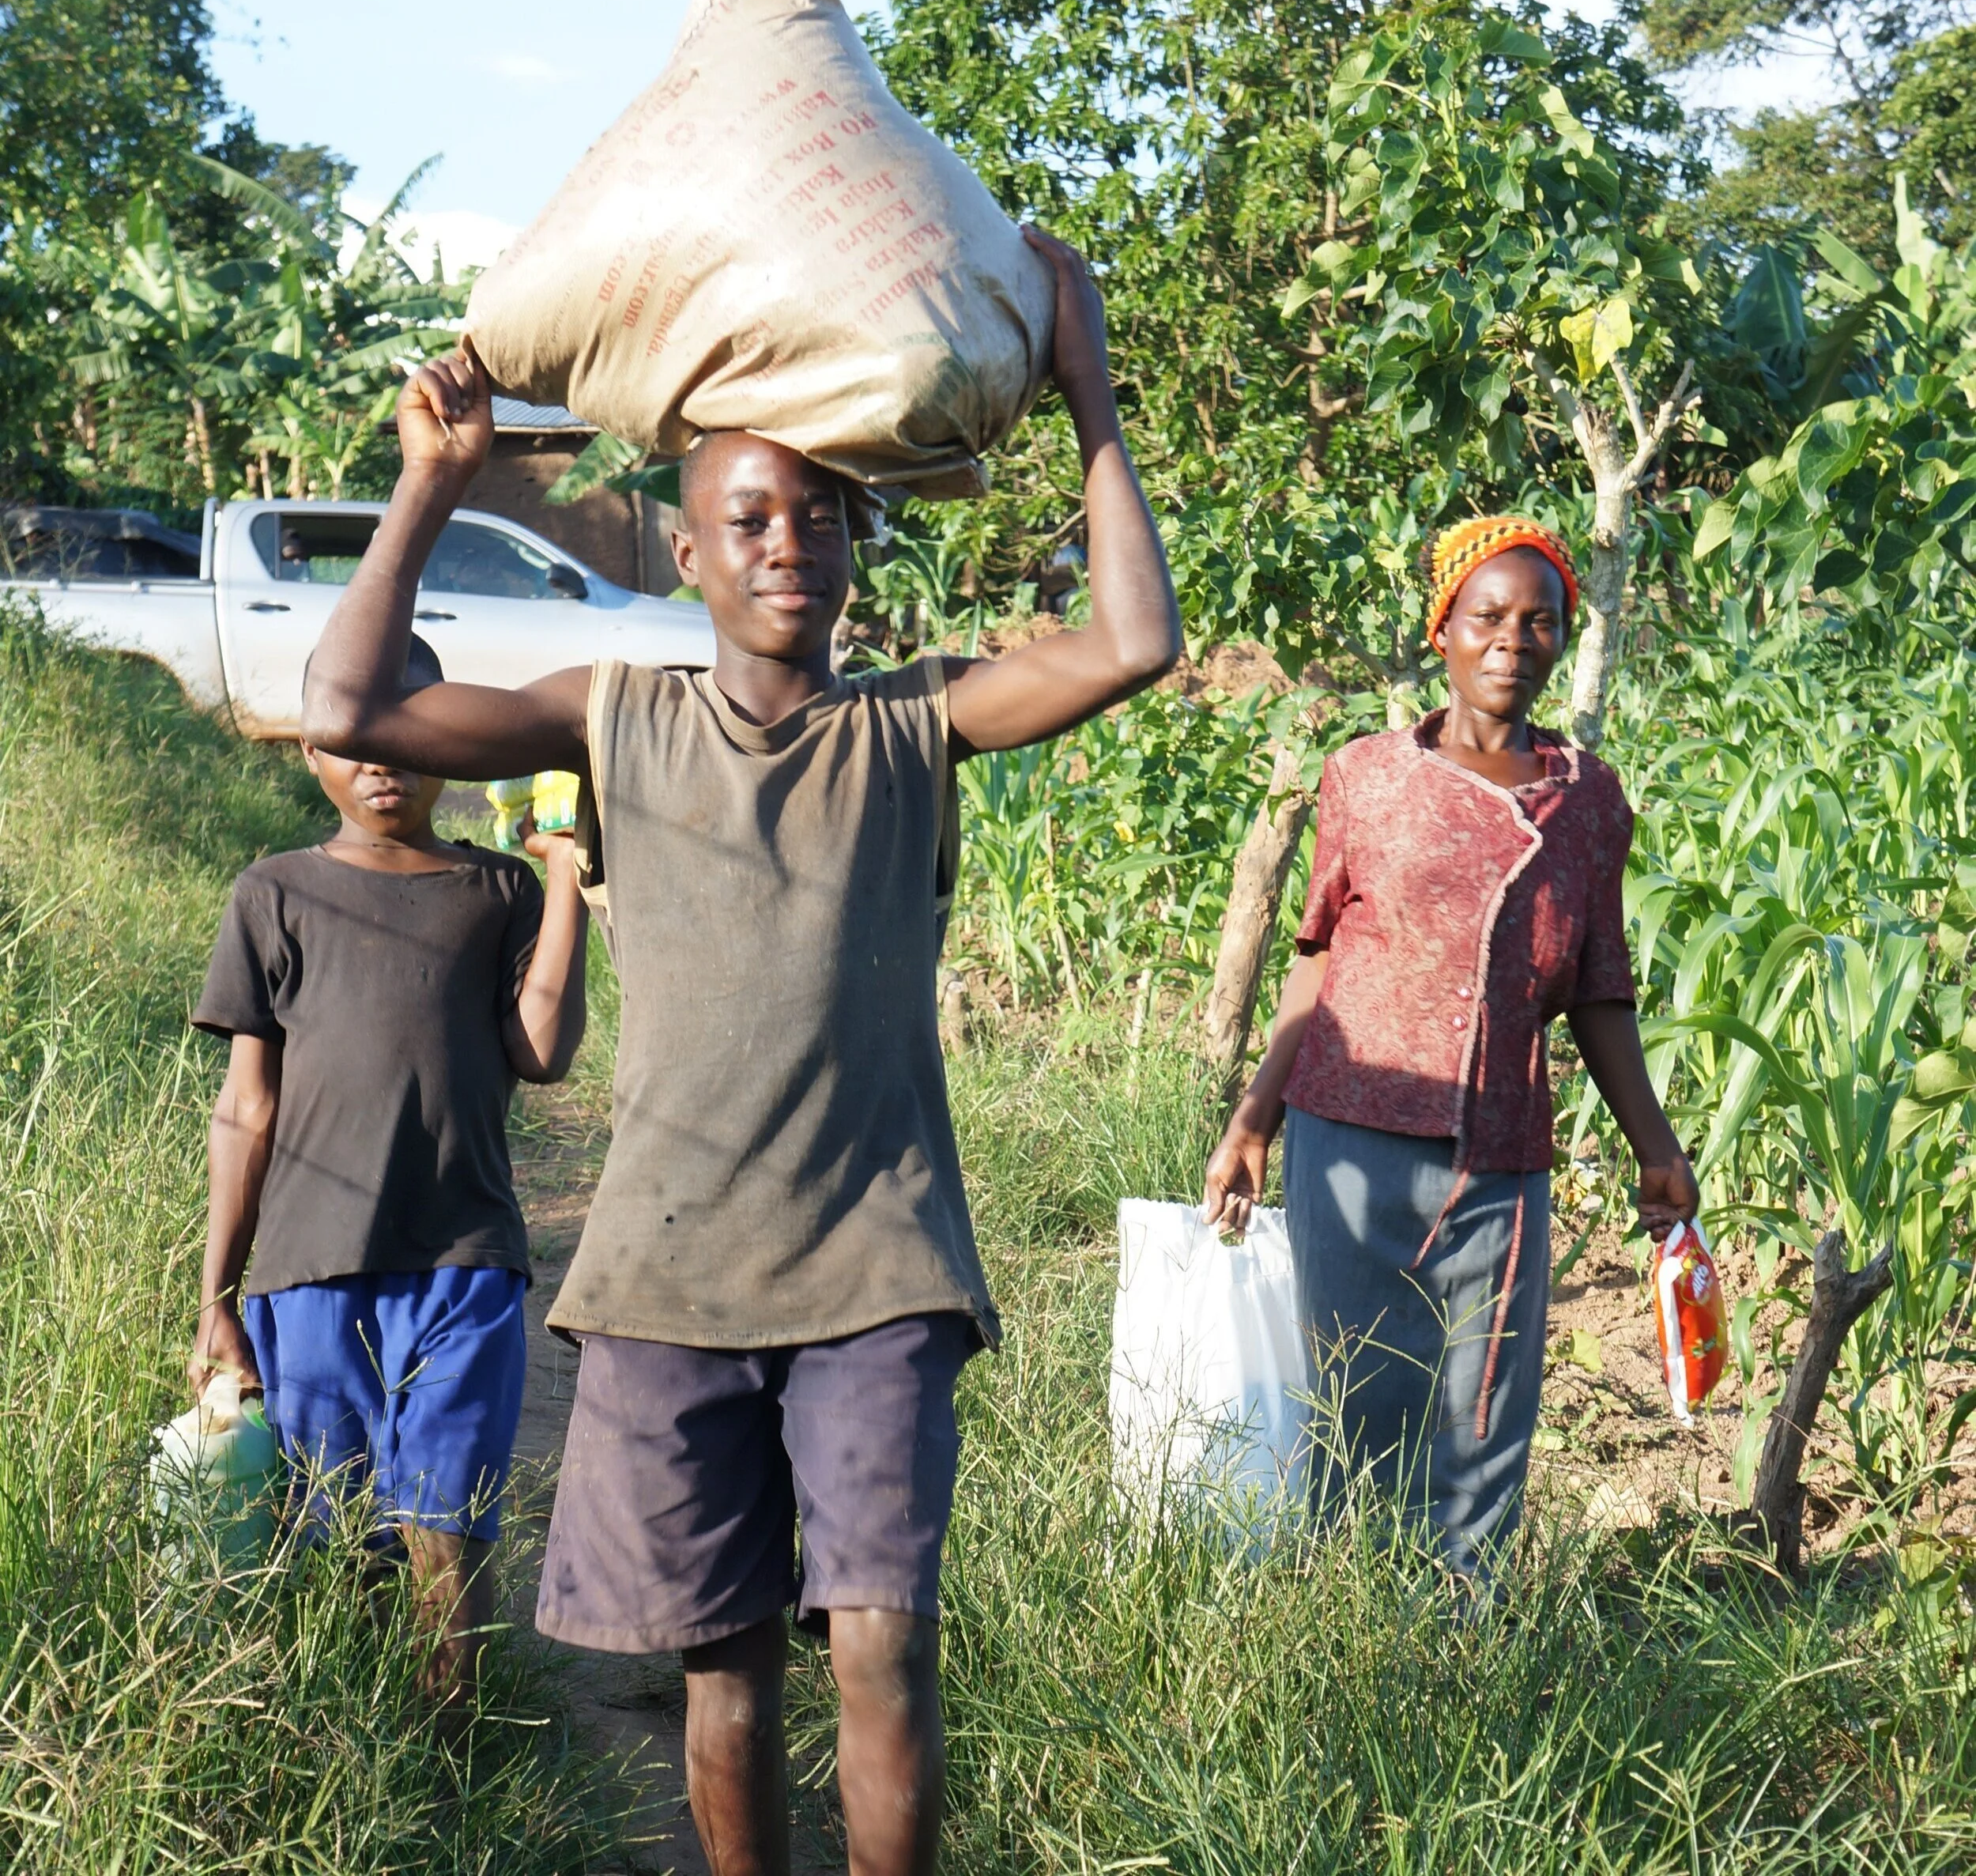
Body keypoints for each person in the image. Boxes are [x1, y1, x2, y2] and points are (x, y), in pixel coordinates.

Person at [300, 227, 1180, 1875]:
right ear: (686, 555)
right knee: (722, 1675)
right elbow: (349, 708)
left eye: (816, 515)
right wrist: (431, 481)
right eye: (746, 520)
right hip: (665, 1273)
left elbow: (1133, 645)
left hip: (875, 1266)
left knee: (883, 1643)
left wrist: (1088, 395)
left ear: (856, 544)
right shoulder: (616, 711)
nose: (788, 544)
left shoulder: (914, 720)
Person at [1202, 515, 1699, 1581]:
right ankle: (1343, 1636)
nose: (1513, 638)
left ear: (1564, 640)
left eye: (1540, 620)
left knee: (1483, 1426)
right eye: (1488, 616)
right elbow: (1318, 960)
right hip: (1352, 1137)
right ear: (1444, 630)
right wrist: (1256, 1118)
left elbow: (1600, 990)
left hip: (1502, 1153)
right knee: (1357, 1403)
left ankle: (1459, 1656)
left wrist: (1657, 1146)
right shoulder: (1368, 777)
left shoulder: (1589, 803)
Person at [189, 634, 590, 1703]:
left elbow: (542, 1053)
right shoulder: (273, 895)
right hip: (308, 1272)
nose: (379, 760)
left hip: (465, 1258)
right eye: (351, 736)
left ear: (447, 738)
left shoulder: (496, 887)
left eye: (405, 730)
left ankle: (449, 1750)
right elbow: (246, 1107)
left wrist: (564, 888)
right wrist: (217, 1299)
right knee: (335, 1531)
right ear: (311, 746)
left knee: (443, 1522)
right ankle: (363, 1752)